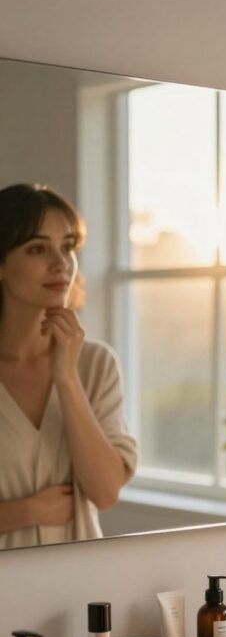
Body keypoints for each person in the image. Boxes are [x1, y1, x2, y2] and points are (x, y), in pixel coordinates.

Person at [0, 183, 137, 548]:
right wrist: (25, 511)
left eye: (68, 247)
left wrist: (67, 378)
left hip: (78, 591)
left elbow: (105, 492)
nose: (61, 263)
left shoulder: (96, 364)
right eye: (37, 248)